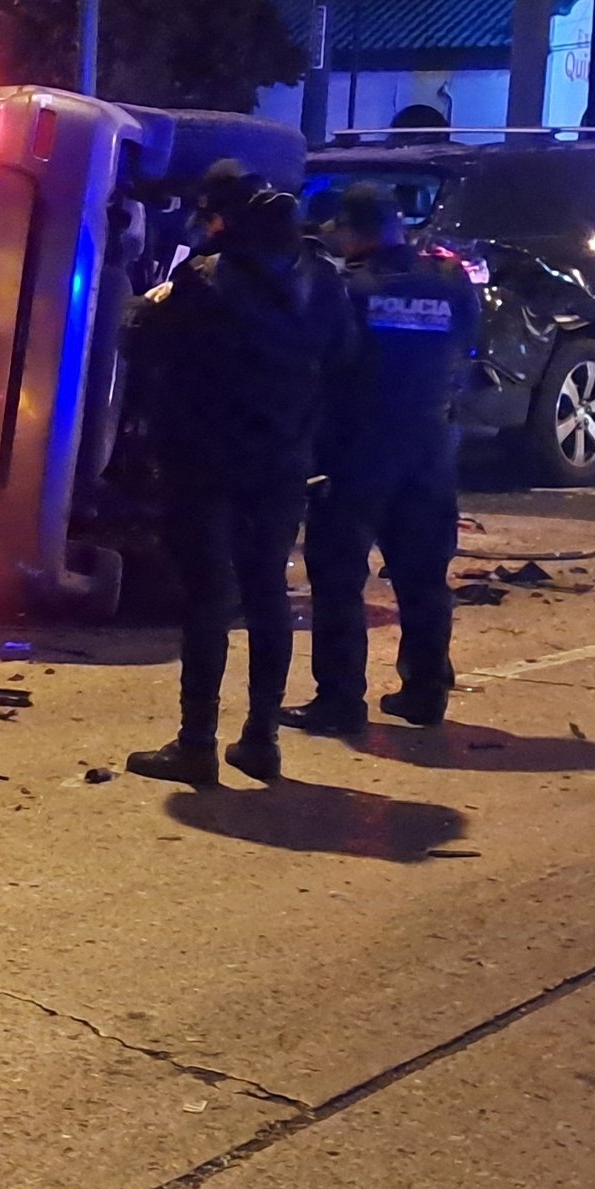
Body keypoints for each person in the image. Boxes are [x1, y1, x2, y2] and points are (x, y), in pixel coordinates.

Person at [131, 179, 352, 786]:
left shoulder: (206, 279)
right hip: (281, 461)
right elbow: (344, 358)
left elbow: (143, 342)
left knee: (207, 598)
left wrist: (149, 306)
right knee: (266, 595)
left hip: (206, 461)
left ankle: (196, 742)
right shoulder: (324, 283)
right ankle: (261, 739)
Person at [293, 180, 481, 734]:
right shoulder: (450, 283)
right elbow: (469, 347)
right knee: (423, 576)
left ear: (353, 232)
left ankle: (340, 700)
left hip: (357, 450)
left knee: (339, 577)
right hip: (429, 447)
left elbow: (321, 361)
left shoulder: (347, 288)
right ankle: (425, 691)